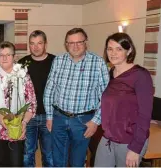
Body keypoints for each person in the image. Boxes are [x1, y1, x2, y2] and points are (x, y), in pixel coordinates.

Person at [43, 28, 110, 167]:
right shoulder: (58, 61)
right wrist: (49, 116)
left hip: (83, 121)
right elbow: (49, 90)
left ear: (86, 43)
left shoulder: (98, 63)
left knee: (77, 162)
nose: (75, 46)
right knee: (58, 160)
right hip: (59, 118)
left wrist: (95, 122)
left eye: (79, 42)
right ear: (66, 44)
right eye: (71, 42)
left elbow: (106, 97)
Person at [94, 33, 153, 167]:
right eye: (110, 49)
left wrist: (135, 148)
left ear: (129, 50)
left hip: (130, 140)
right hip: (108, 138)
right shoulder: (110, 73)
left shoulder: (140, 75)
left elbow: (145, 115)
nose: (113, 53)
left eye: (119, 49)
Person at [0, 41, 37, 167]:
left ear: (14, 56)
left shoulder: (23, 75)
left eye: (8, 55)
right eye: (1, 55)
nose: (4, 58)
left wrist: (23, 123)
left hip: (17, 128)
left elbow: (32, 104)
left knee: (16, 163)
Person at [18, 30, 55, 167]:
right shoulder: (22, 63)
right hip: (29, 117)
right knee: (27, 154)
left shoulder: (55, 62)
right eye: (32, 44)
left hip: (49, 117)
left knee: (49, 155)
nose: (36, 47)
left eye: (39, 43)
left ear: (45, 44)